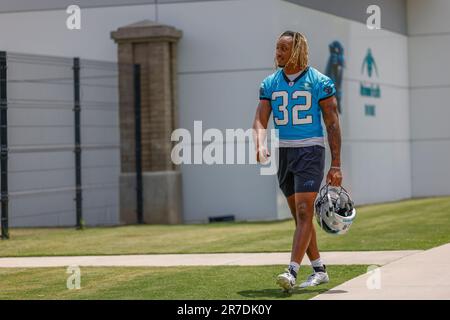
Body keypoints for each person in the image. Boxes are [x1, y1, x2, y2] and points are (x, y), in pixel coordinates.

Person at [252, 31, 343, 291]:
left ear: (297, 50)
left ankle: (291, 272)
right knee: (299, 216)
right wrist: (260, 143)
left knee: (304, 212)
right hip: (285, 153)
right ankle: (319, 270)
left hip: (310, 150)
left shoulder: (319, 81)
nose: (277, 53)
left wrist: (335, 164)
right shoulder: (270, 83)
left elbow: (332, 123)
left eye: (283, 48)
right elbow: (260, 119)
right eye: (277, 47)